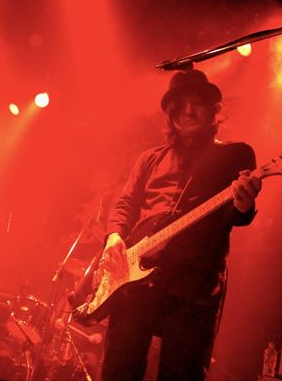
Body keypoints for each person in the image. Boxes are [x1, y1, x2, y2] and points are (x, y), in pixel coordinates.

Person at [100, 69, 262, 380]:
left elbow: (235, 215)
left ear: (214, 110)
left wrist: (244, 205)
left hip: (193, 285)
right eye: (181, 105)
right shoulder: (149, 159)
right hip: (135, 278)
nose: (189, 111)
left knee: (182, 373)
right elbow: (125, 204)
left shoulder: (235, 154)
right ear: (171, 116)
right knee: (119, 369)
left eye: (197, 103)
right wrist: (114, 238)